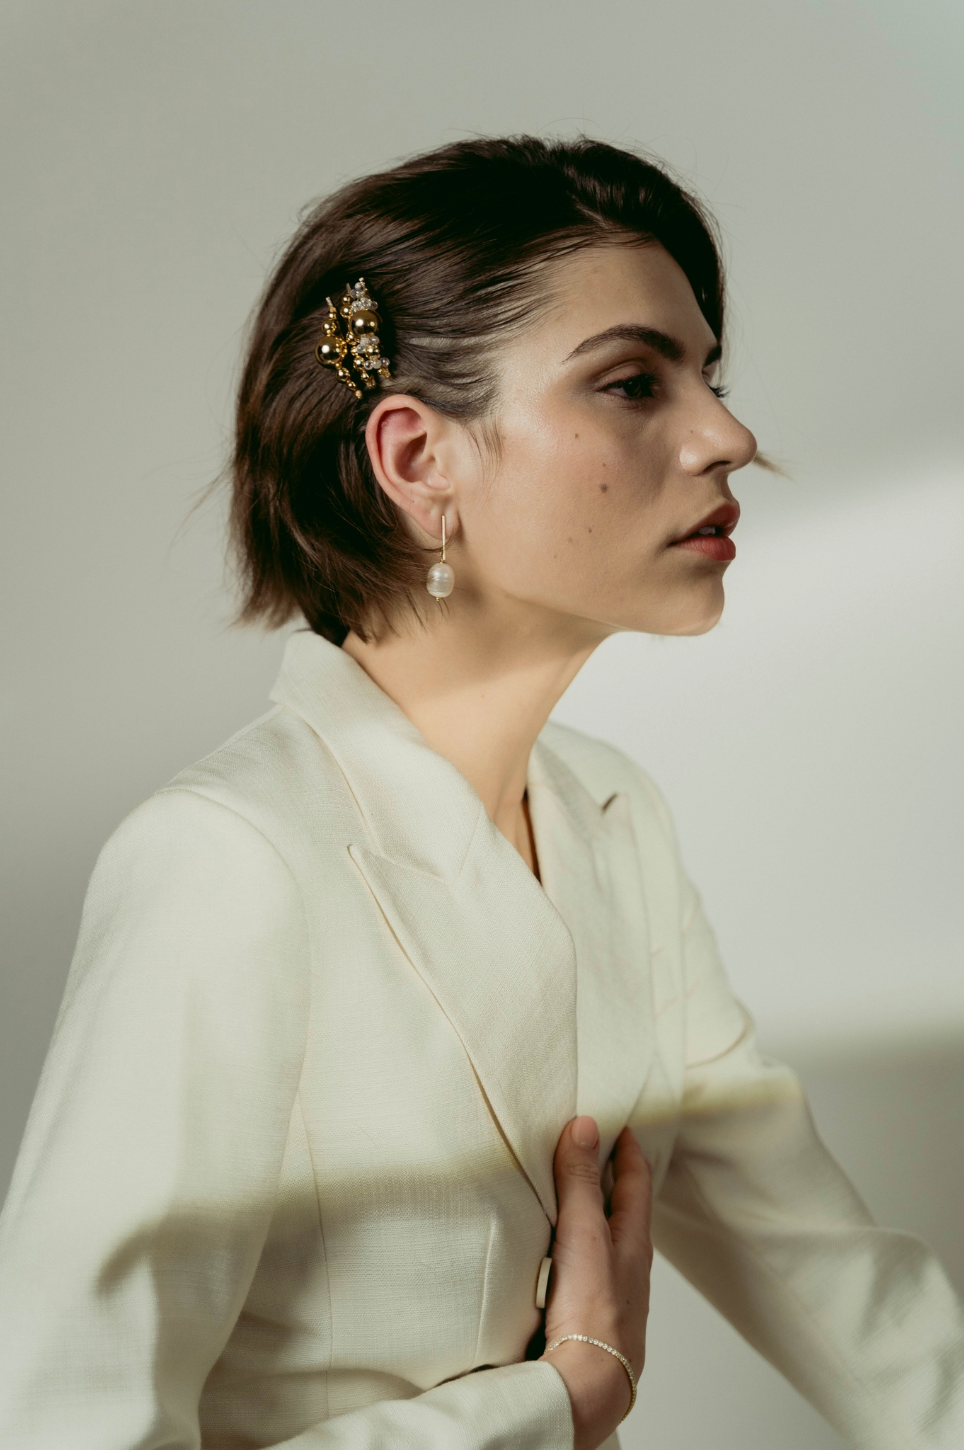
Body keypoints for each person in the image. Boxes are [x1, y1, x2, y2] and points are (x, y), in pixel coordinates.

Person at [0, 135, 961, 1450]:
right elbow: (63, 1423)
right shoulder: (228, 860)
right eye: (634, 382)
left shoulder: (613, 820)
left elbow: (843, 1290)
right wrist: (553, 1398)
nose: (729, 436)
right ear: (418, 458)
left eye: (711, 377)